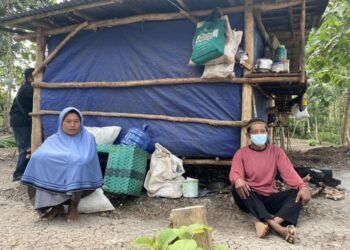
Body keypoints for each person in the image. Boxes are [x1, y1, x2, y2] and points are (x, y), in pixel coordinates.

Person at [229, 118, 311, 244]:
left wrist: (302, 186)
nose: (259, 134)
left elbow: (289, 173)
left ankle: (271, 224)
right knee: (237, 187)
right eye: (255, 132)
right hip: (250, 198)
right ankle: (279, 228)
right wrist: (238, 179)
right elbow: (235, 172)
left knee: (297, 193)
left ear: (267, 133)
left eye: (262, 131)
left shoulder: (276, 152)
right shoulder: (241, 153)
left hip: (270, 197)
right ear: (248, 135)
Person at [21, 107, 103, 222]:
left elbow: (87, 159)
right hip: (59, 177)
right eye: (68, 121)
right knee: (41, 162)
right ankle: (56, 207)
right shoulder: (53, 139)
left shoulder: (88, 138)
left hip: (83, 182)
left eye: (76, 121)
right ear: (61, 123)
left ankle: (73, 205)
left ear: (81, 123)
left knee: (77, 163)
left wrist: (69, 159)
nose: (72, 125)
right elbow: (38, 156)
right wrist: (61, 160)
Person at [10, 68, 34, 181]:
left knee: (24, 147)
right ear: (30, 78)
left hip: (19, 122)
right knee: (25, 147)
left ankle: (23, 171)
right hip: (20, 122)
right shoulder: (28, 89)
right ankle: (18, 174)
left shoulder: (26, 88)